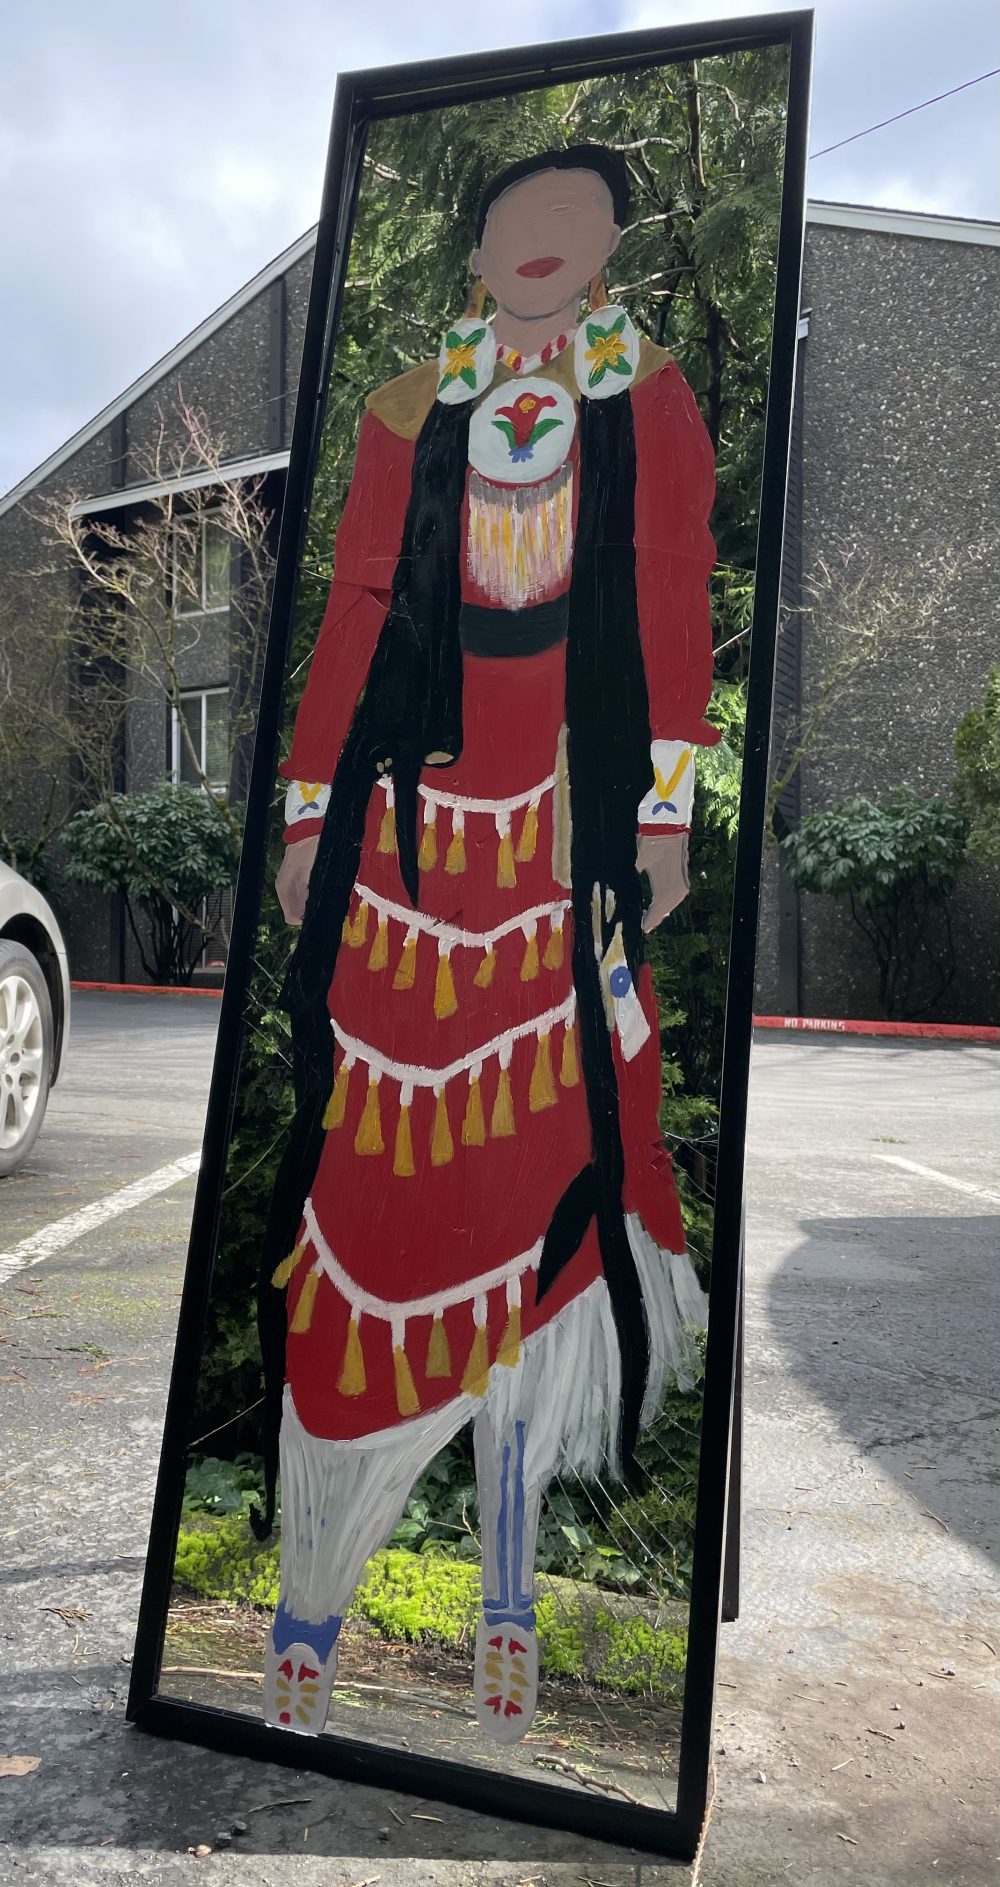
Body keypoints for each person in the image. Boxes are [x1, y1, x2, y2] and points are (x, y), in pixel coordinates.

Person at [254, 144, 718, 1743]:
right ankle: (315, 1590)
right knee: (372, 1198)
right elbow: (356, 605)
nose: (545, 237)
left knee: (543, 1190)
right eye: (519, 216)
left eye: (577, 216)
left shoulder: (646, 395)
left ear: (609, 244)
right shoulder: (408, 409)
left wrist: (662, 812)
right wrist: (309, 813)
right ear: (477, 246)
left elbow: (671, 590)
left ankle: (506, 1601)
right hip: (413, 844)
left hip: (567, 829)